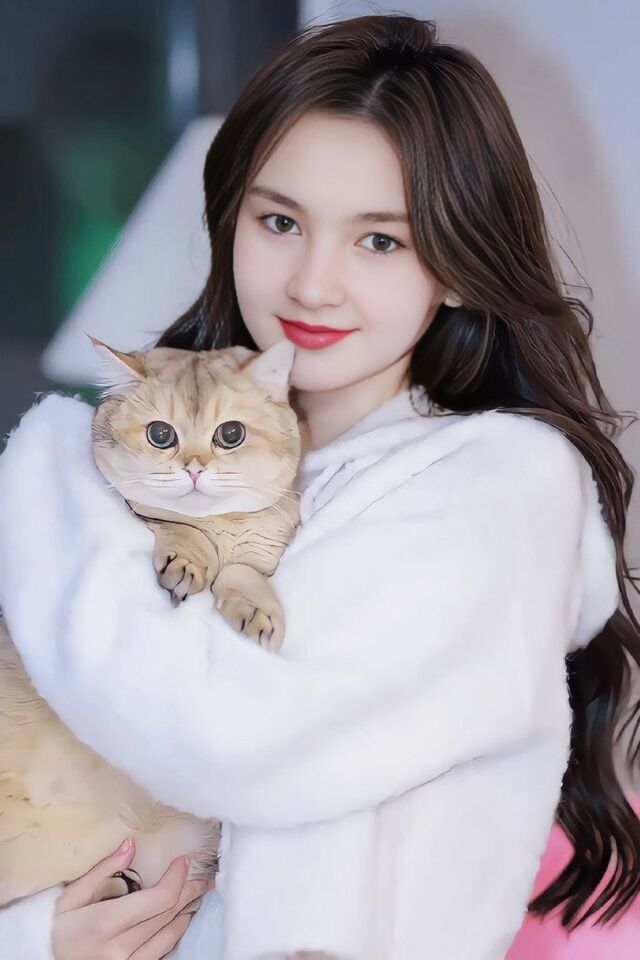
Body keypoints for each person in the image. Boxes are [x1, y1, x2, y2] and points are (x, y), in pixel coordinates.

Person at [1, 13, 639, 960]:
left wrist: (46, 487)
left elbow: (230, 735)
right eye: (280, 222)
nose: (311, 284)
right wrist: (33, 937)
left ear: (460, 269)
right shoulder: (157, 450)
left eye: (379, 241)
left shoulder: (498, 488)